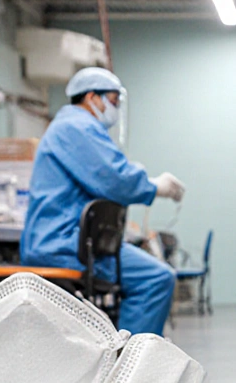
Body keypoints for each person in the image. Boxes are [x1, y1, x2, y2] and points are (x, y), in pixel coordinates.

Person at [20, 67, 186, 336]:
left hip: (68, 240)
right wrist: (155, 187)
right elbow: (114, 179)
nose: (116, 108)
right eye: (112, 100)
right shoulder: (76, 127)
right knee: (156, 278)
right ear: (91, 97)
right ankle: (131, 366)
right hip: (64, 244)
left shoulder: (71, 127)